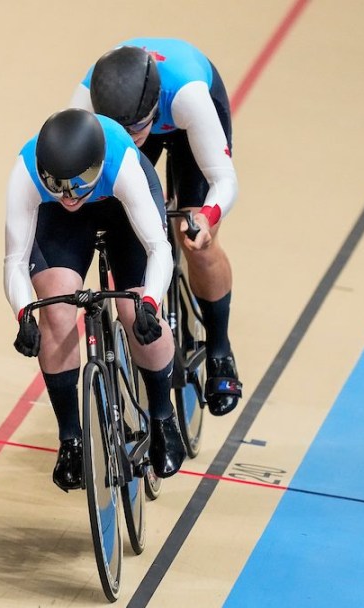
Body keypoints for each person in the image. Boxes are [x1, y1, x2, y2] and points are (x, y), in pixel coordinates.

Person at [4, 108, 186, 491]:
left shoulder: (122, 166)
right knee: (55, 311)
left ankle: (162, 417)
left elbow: (159, 250)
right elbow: (15, 261)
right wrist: (23, 313)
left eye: (80, 181)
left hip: (120, 209)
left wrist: (150, 303)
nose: (71, 194)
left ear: (98, 165)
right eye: (58, 183)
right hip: (61, 224)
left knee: (133, 310)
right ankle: (70, 437)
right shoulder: (27, 173)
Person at [70, 38, 244, 416]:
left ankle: (219, 349)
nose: (130, 140)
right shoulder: (83, 104)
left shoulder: (188, 97)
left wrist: (206, 217)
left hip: (186, 126)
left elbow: (224, 179)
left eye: (135, 130)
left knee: (196, 238)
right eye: (122, 130)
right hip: (124, 128)